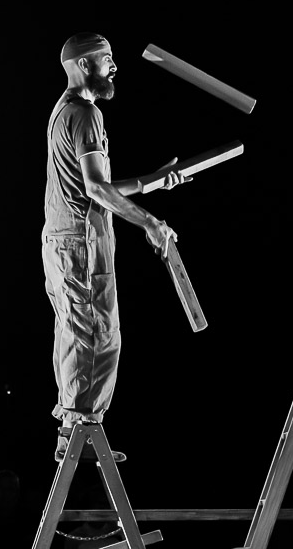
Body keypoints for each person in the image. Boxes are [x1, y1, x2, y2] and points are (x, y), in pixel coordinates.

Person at [43, 32, 190, 461]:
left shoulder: (64, 111)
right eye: (107, 58)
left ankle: (72, 431)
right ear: (84, 64)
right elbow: (96, 189)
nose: (114, 67)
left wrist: (154, 181)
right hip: (81, 242)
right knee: (98, 336)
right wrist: (150, 223)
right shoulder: (86, 113)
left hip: (64, 239)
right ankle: (80, 432)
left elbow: (96, 186)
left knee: (77, 334)